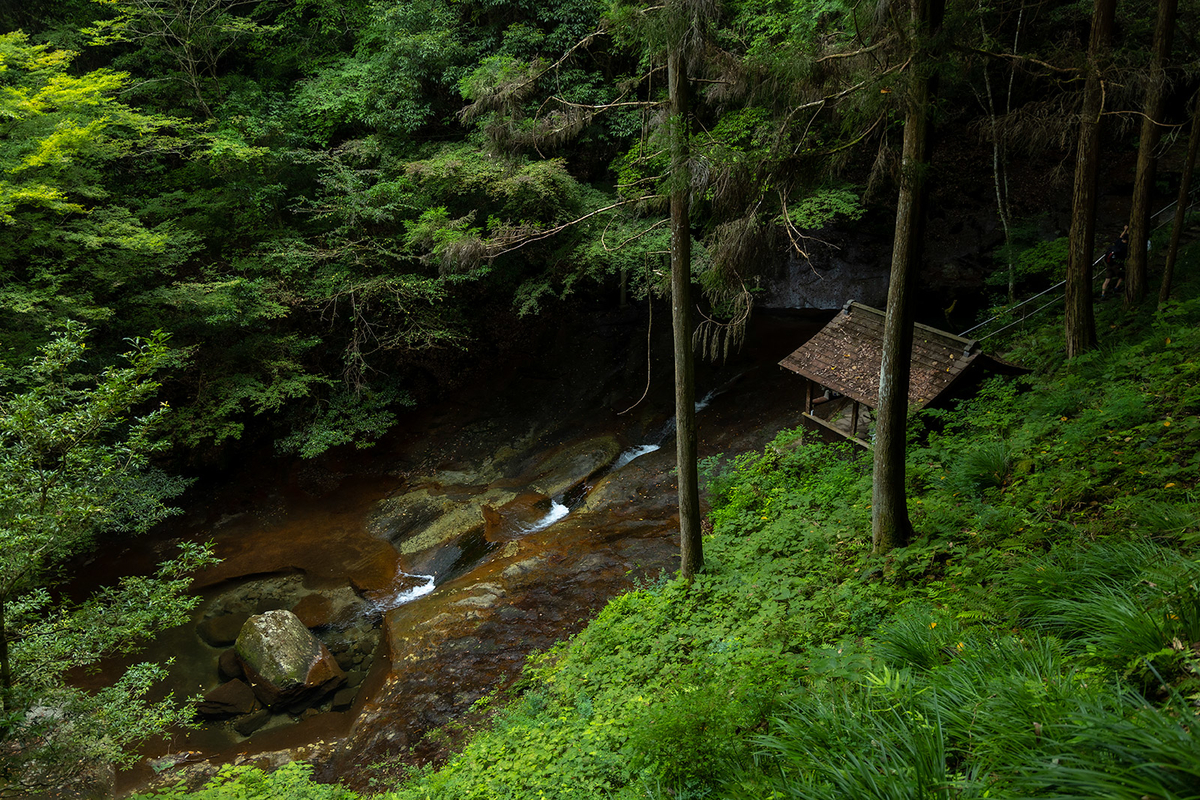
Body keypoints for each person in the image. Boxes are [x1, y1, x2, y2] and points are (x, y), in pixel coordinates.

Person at [1100, 225, 1128, 300]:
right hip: (1117, 264)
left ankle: (1103, 294)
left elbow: (1120, 236)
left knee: (1107, 279)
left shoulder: (1118, 242)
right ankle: (1116, 287)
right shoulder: (1125, 246)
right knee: (1122, 275)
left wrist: (1125, 230)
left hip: (1109, 264)